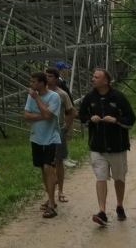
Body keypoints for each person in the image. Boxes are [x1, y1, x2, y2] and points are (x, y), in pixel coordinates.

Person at [79, 67, 136, 226]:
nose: (93, 79)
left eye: (96, 77)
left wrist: (116, 120)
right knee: (101, 177)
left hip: (117, 146)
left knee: (119, 178)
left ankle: (119, 206)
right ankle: (102, 211)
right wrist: (90, 118)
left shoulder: (118, 97)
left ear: (105, 81)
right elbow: (82, 114)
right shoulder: (89, 97)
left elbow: (131, 118)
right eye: (93, 77)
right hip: (97, 147)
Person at [23, 71, 62, 219]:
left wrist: (38, 100)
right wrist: (40, 115)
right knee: (43, 170)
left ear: (41, 83)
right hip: (36, 137)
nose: (31, 85)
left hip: (51, 137)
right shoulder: (31, 96)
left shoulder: (54, 97)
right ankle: (50, 197)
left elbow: (49, 116)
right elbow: (26, 115)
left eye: (33, 82)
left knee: (48, 167)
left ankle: (52, 204)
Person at [45, 67, 76, 204]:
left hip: (58, 130)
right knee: (46, 164)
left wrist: (65, 128)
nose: (47, 78)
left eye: (50, 76)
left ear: (56, 79)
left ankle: (61, 191)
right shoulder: (41, 93)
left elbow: (72, 112)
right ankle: (50, 193)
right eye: (46, 76)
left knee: (58, 161)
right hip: (44, 131)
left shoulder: (62, 94)